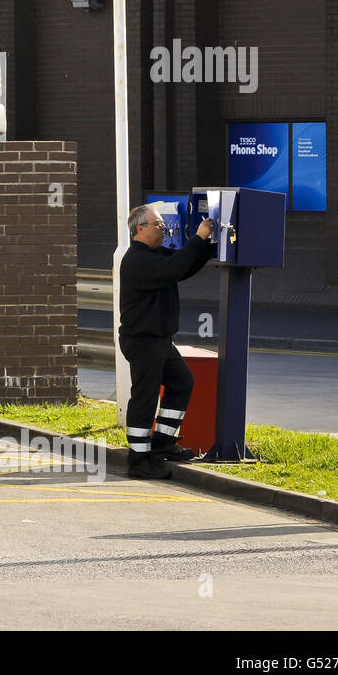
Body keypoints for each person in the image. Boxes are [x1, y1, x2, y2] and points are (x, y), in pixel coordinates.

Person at [119, 204, 215, 480]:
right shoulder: (138, 259)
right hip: (144, 341)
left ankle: (162, 444)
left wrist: (207, 243)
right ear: (141, 229)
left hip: (160, 340)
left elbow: (184, 266)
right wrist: (198, 238)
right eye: (158, 224)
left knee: (182, 382)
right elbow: (176, 266)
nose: (164, 227)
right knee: (145, 397)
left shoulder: (154, 254)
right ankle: (138, 460)